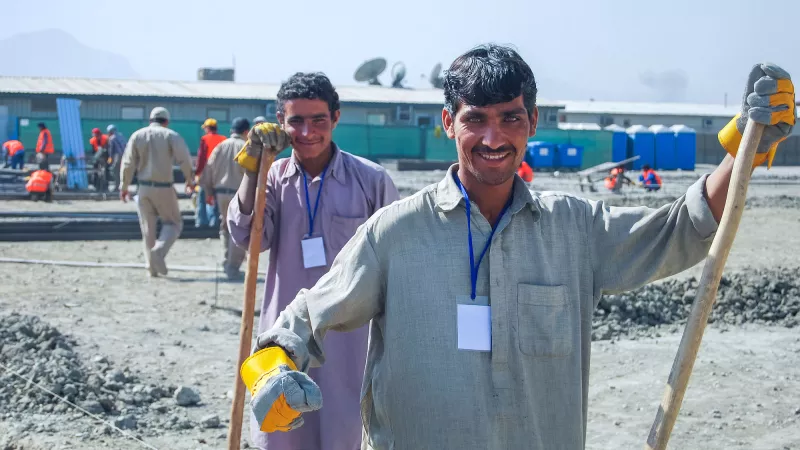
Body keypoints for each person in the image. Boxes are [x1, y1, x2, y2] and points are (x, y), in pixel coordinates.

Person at [242, 47, 795, 449]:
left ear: (532, 121)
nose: (493, 138)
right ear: (446, 124)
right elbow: (304, 318)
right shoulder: (395, 234)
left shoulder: (575, 229)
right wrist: (269, 369)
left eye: (510, 118)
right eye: (474, 120)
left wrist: (748, 147)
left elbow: (681, 228)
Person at [227, 72, 400, 450]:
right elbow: (248, 239)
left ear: (336, 118)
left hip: (350, 338)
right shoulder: (271, 178)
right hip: (284, 332)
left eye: (318, 119)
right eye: (296, 121)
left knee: (345, 430)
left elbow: (395, 260)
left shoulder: (370, 180)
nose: (307, 131)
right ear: (281, 122)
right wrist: (252, 169)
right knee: (281, 428)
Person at [120, 107, 195, 277]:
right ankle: (159, 251)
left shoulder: (137, 136)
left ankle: (151, 267)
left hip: (143, 188)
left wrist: (124, 187)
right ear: (166, 121)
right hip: (164, 187)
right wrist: (190, 181)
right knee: (174, 223)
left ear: (150, 119)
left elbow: (127, 163)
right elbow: (184, 159)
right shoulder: (171, 136)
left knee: (148, 228)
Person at [199, 117, 250, 280]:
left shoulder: (220, 147)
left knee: (226, 226)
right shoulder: (247, 147)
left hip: (220, 193)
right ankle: (232, 266)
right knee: (240, 229)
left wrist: (208, 191)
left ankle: (226, 260)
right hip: (240, 193)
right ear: (246, 132)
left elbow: (208, 169)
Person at [195, 118, 227, 228]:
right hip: (220, 173)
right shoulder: (223, 139)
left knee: (203, 196)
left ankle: (202, 221)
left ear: (207, 128)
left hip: (206, 172)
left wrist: (198, 172)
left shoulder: (205, 139)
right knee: (217, 197)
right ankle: (215, 221)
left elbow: (202, 157)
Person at [107, 124, 127, 191]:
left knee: (115, 171)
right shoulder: (121, 136)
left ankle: (117, 186)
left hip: (117, 156)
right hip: (125, 156)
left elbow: (111, 150)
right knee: (122, 171)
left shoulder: (112, 138)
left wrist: (110, 158)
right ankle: (123, 186)